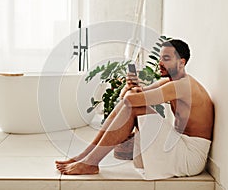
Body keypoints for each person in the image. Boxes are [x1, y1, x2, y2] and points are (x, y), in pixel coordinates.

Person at [55, 39, 214, 178]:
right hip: (179, 144)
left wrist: (131, 90)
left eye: (166, 58)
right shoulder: (172, 82)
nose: (160, 63)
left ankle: (90, 162)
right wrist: (129, 86)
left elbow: (131, 100)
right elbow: (130, 97)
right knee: (129, 106)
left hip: (190, 156)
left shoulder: (182, 86)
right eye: (160, 58)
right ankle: (84, 157)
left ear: (182, 62)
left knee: (134, 108)